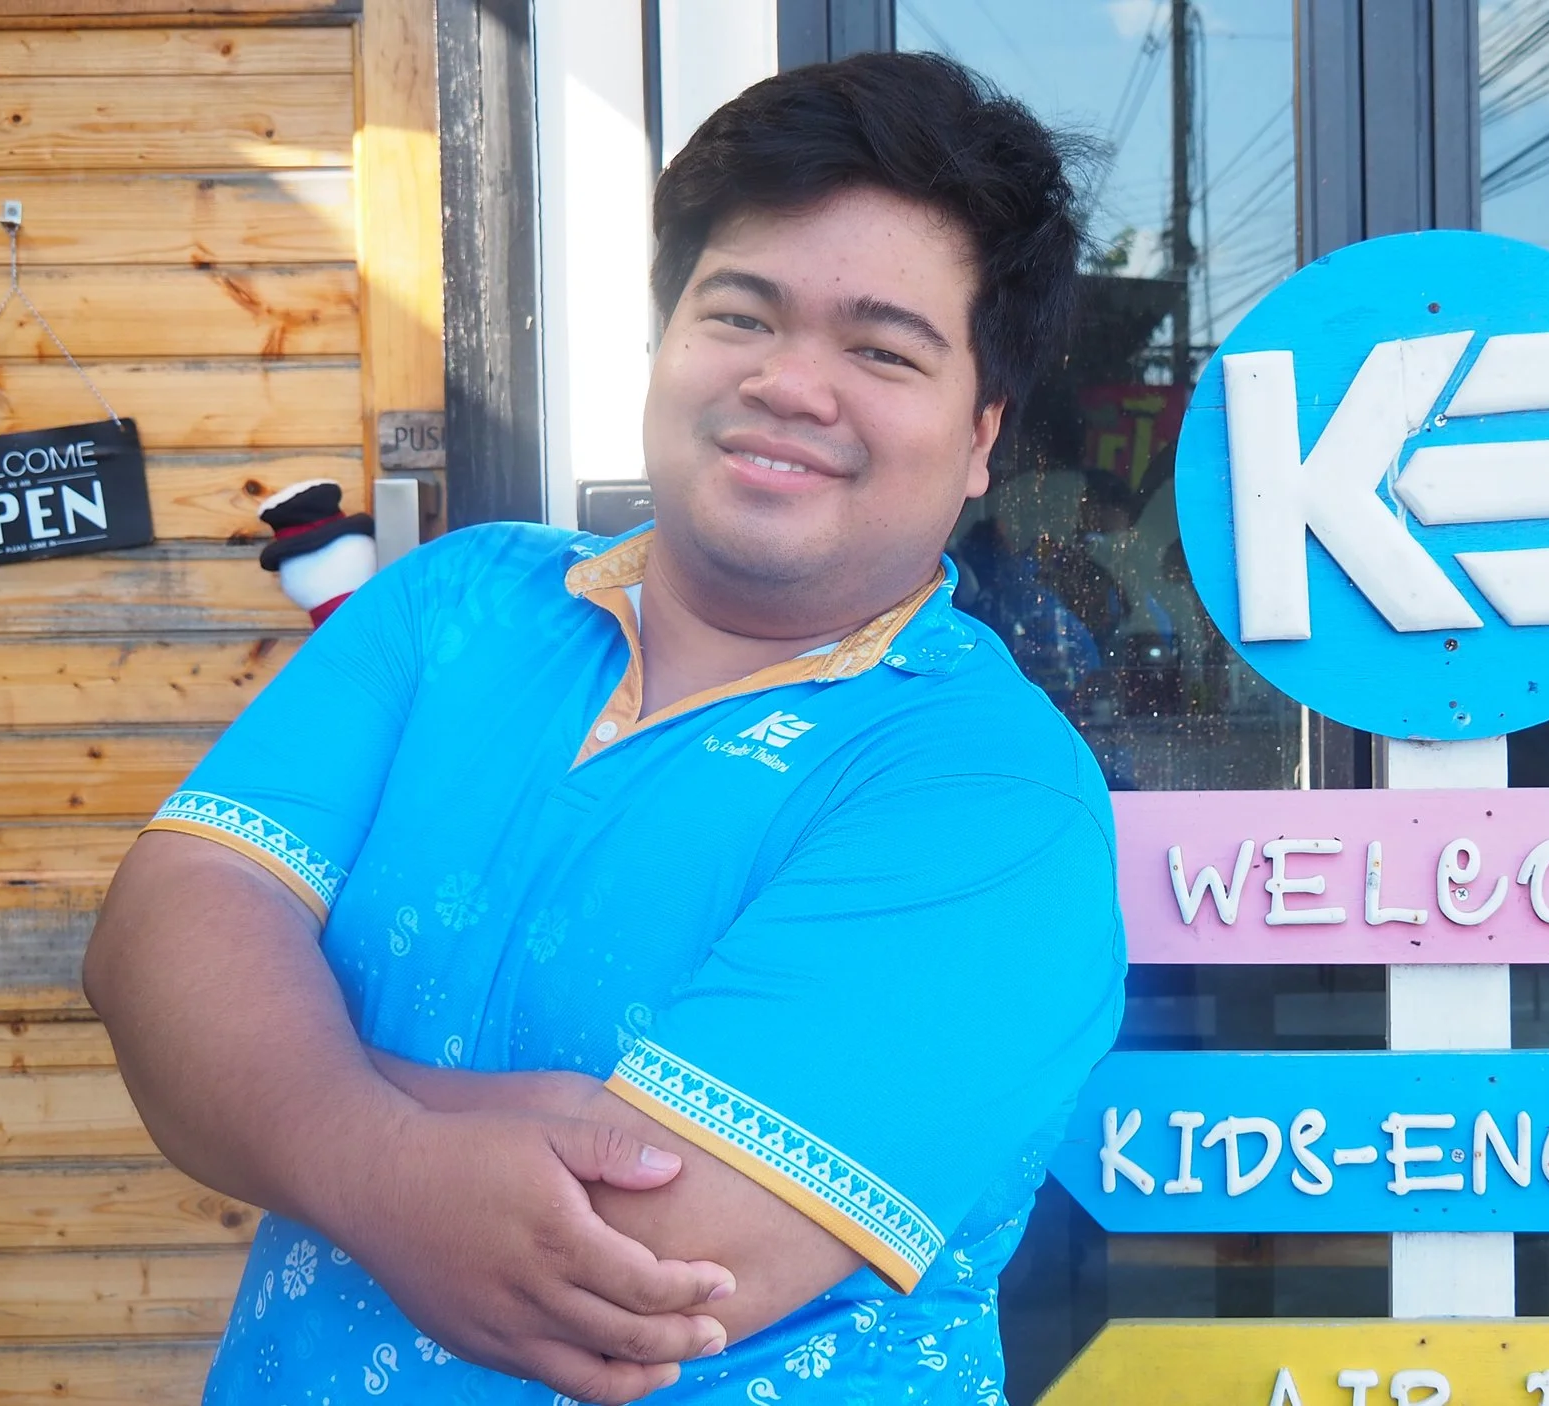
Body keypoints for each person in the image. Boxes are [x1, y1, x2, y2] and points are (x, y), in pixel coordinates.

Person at [84, 53, 1126, 1405]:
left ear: (981, 434)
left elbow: (643, 1258)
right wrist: (380, 1150)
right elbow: (152, 936)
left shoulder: (991, 794)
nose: (792, 385)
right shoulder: (459, 602)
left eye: (880, 348)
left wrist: (273, 1064)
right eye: (741, 313)